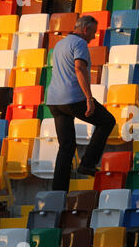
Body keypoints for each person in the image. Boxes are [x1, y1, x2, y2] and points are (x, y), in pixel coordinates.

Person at [46, 15, 116, 191]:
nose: (93, 37)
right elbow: (79, 68)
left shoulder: (60, 44)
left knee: (66, 147)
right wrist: (89, 98)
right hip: (72, 98)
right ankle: (88, 163)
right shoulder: (80, 44)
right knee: (107, 121)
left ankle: (58, 191)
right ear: (85, 30)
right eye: (92, 32)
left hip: (54, 101)